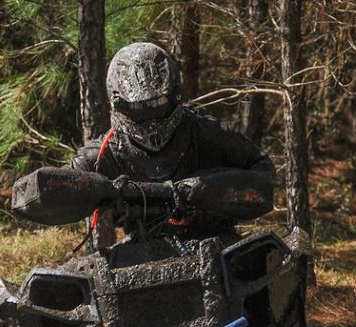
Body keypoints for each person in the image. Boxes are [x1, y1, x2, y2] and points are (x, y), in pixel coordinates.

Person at [72, 42, 274, 242]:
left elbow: (264, 173)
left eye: (158, 102)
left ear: (174, 94)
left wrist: (209, 188)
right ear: (119, 104)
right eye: (139, 106)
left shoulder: (206, 133)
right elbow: (58, 190)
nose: (150, 111)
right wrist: (103, 191)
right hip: (145, 249)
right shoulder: (105, 152)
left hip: (218, 242)